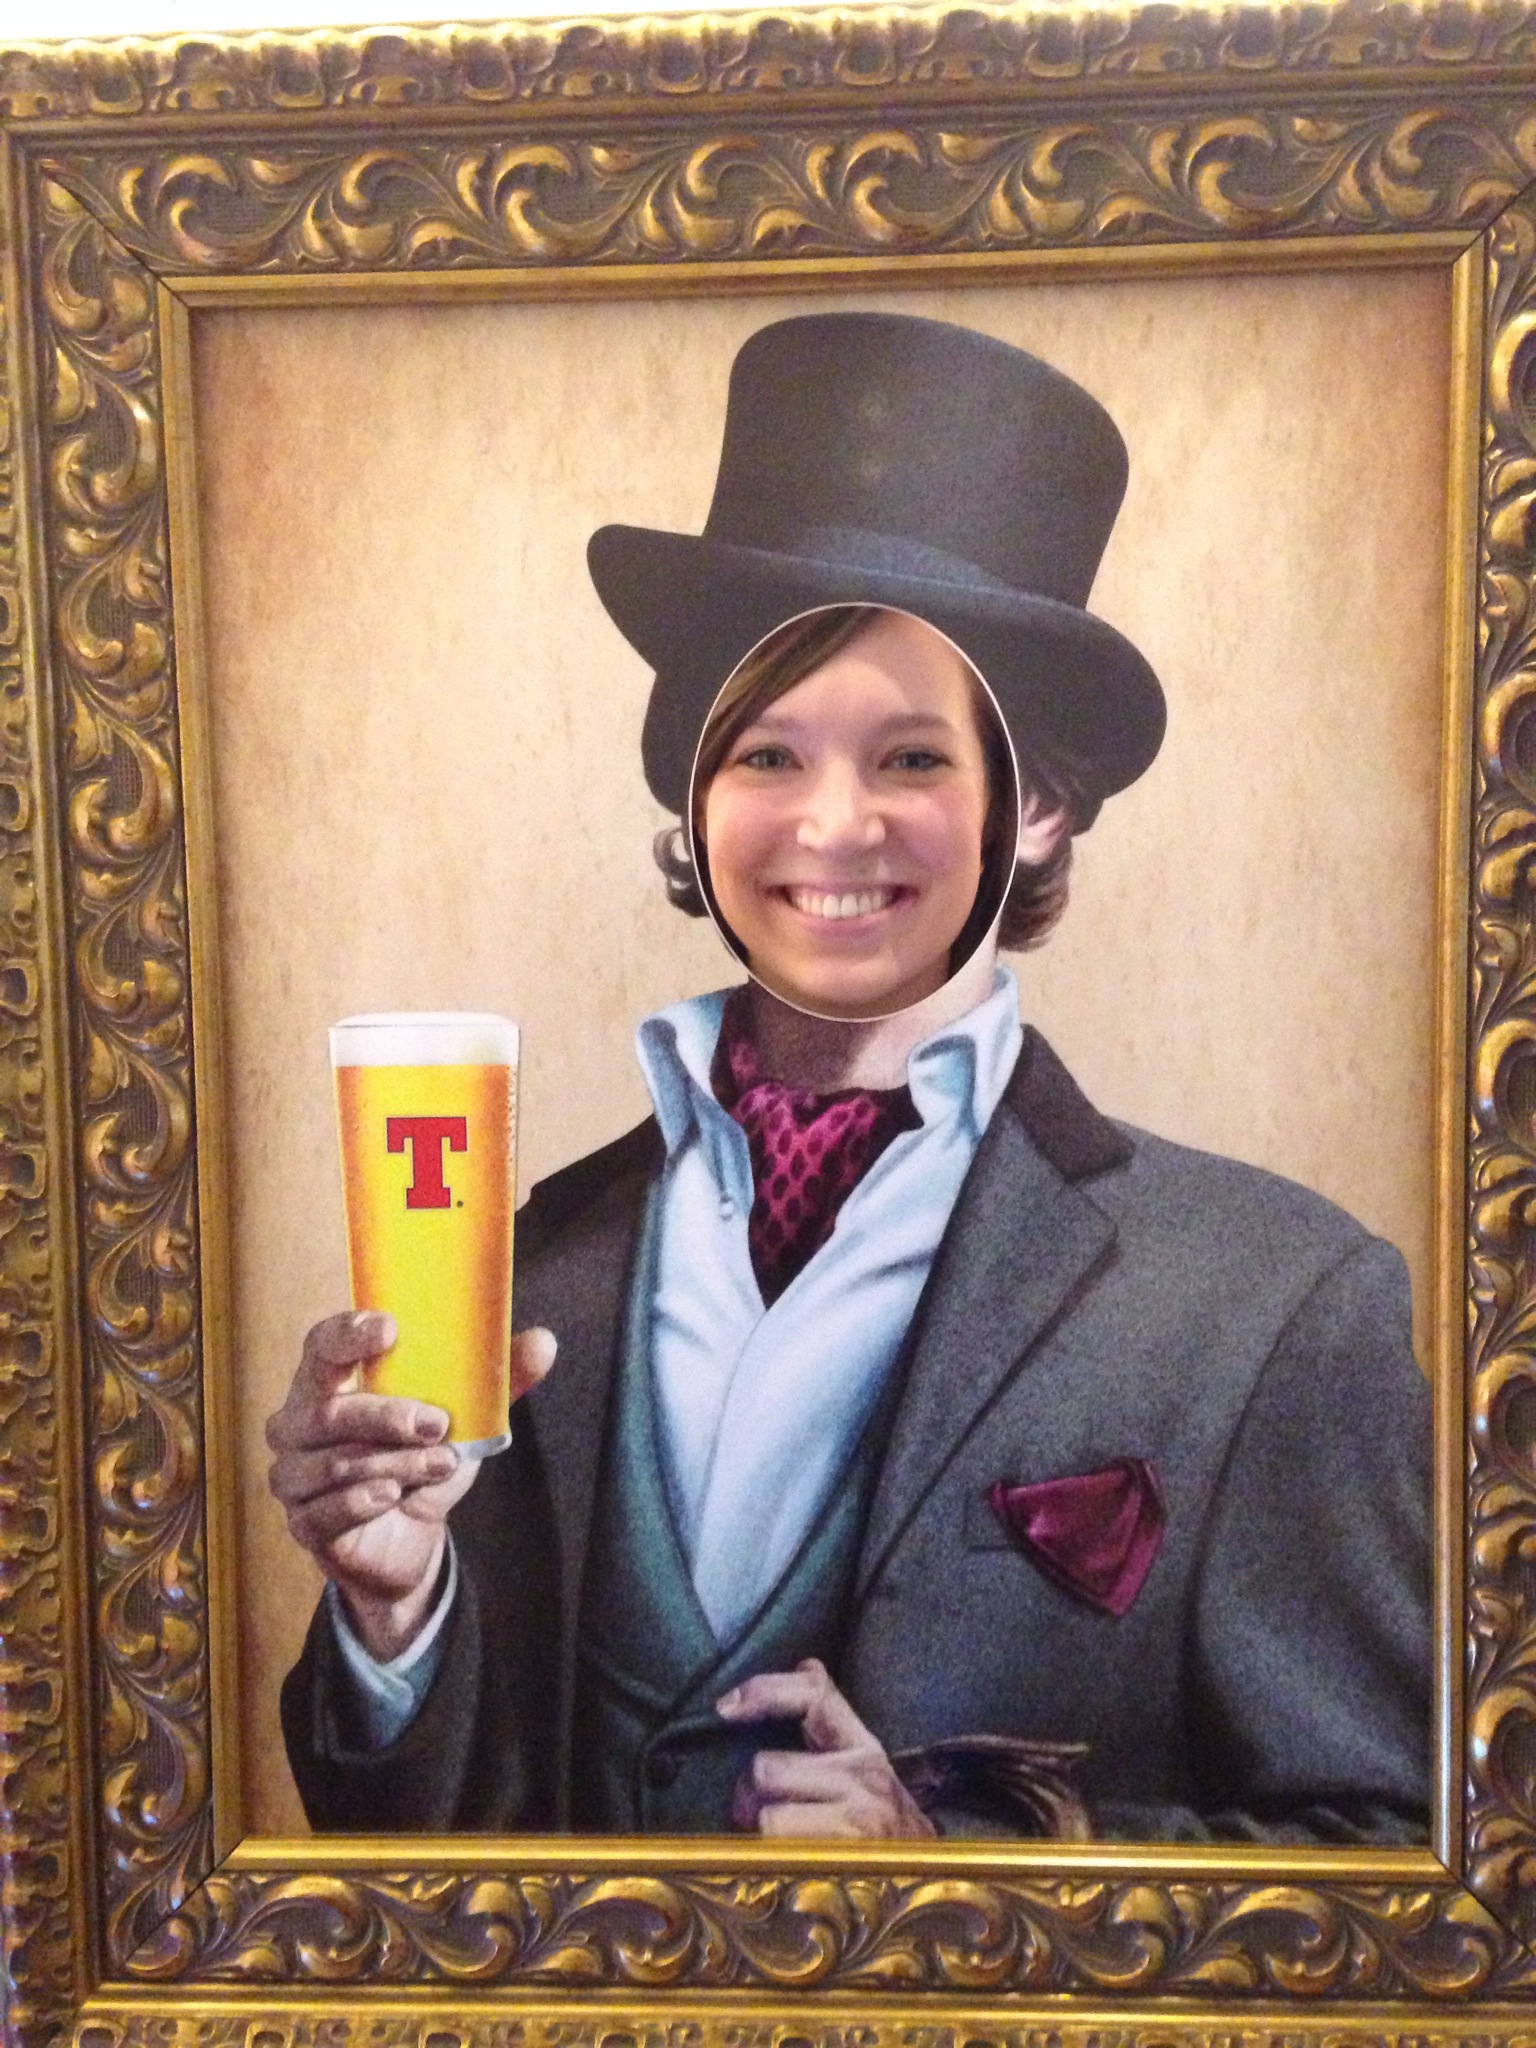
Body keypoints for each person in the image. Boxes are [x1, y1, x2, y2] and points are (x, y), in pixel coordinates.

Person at [273, 313, 1431, 1841]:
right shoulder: (529, 1264)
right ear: (693, 791)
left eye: (911, 759)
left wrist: (960, 1858)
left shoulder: (1277, 1302)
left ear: (1040, 807)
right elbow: (434, 1861)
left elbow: (1404, 1870)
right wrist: (394, 1612)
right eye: (767, 754)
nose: (831, 827)